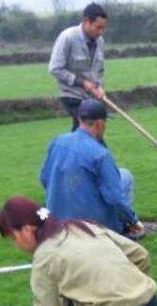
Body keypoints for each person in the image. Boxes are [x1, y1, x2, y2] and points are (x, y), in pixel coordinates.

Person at [0, 196, 157, 306]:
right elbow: (140, 255)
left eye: (14, 238)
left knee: (63, 300)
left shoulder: (45, 257)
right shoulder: (84, 227)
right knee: (75, 288)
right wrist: (135, 290)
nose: (16, 245)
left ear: (26, 230)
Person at [40, 99, 145, 238]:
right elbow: (115, 197)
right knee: (125, 176)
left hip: (56, 222)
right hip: (92, 225)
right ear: (100, 123)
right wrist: (134, 220)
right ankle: (124, 229)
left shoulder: (58, 141)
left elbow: (44, 178)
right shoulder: (100, 154)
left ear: (79, 119)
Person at [49, 3, 108, 130]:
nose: (101, 32)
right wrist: (82, 82)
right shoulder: (68, 37)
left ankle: (73, 148)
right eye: (98, 28)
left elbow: (99, 71)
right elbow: (55, 68)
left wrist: (100, 88)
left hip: (90, 97)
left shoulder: (100, 42)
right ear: (86, 22)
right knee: (90, 127)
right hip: (72, 95)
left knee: (85, 130)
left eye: (104, 28)